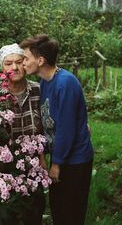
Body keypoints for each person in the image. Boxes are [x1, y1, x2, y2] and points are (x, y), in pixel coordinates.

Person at [20, 35, 94, 225]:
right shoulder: (46, 81)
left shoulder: (65, 83)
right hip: (62, 155)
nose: (23, 63)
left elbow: (66, 130)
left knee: (71, 213)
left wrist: (56, 164)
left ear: (40, 60)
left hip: (75, 160)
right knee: (58, 208)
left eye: (26, 58)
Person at [0, 43, 46, 225]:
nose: (15, 68)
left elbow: (50, 122)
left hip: (33, 163)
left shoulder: (38, 91)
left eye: (19, 62)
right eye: (8, 63)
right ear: (2, 67)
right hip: (4, 168)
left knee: (35, 210)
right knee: (7, 214)